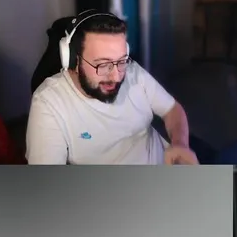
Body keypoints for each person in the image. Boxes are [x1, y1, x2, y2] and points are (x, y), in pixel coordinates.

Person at [26, 12, 197, 165]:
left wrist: (180, 144)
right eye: (102, 64)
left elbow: (172, 109)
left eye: (121, 61)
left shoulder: (132, 71)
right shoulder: (48, 102)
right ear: (72, 61)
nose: (116, 76)